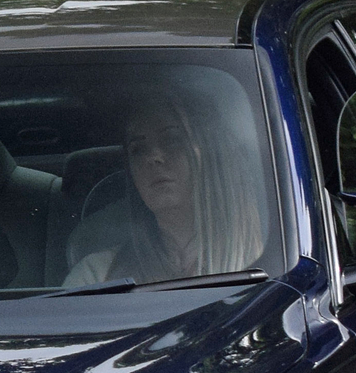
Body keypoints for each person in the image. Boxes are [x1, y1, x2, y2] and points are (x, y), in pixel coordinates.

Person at [63, 90, 263, 285]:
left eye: (173, 140)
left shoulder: (269, 260)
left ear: (211, 155)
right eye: (138, 149)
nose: (153, 157)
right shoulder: (96, 277)